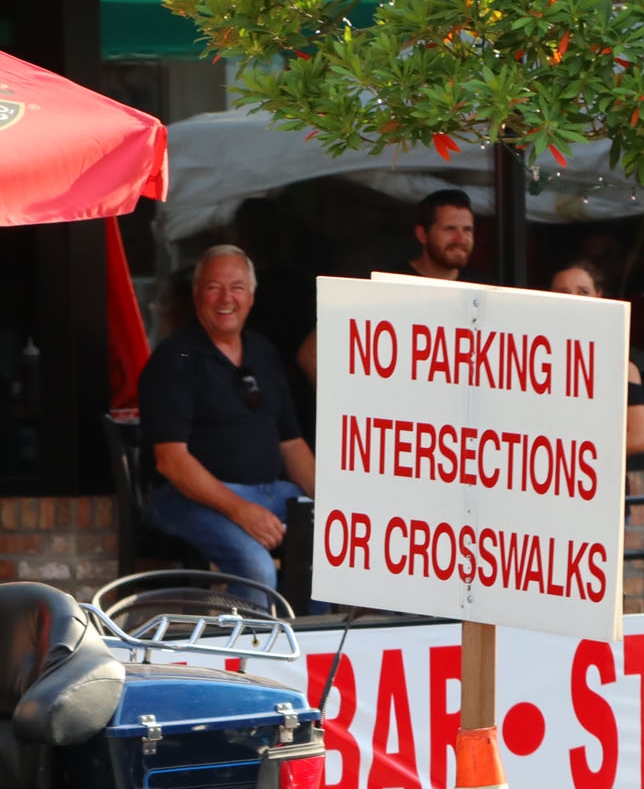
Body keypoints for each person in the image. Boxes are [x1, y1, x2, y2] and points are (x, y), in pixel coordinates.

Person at [139, 244, 316, 599]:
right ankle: (252, 650)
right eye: (213, 287)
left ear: (251, 296)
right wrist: (242, 512)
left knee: (333, 550)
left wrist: (339, 507)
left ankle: (303, 644)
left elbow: (292, 444)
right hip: (187, 496)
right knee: (256, 568)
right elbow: (171, 460)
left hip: (272, 493)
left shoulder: (263, 352)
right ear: (196, 294)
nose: (225, 298)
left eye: (236, 287)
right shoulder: (176, 357)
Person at [298, 187, 479, 385]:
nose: (461, 239)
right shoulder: (387, 287)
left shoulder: (485, 292)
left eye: (467, 230)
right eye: (450, 229)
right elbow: (310, 354)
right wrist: (342, 404)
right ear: (422, 234)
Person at [551, 258, 644, 456]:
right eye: (563, 293)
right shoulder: (531, 363)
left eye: (584, 292)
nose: (575, 299)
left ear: (600, 297)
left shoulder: (621, 368)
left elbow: (638, 439)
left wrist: (574, 450)